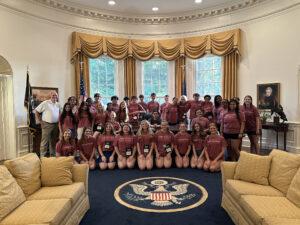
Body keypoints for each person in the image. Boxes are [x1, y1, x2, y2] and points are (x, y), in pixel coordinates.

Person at [35, 91, 61, 157]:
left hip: (55, 125)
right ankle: (42, 157)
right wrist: (40, 121)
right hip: (46, 125)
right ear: (50, 96)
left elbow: (60, 114)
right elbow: (37, 111)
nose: (54, 96)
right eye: (53, 95)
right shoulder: (45, 103)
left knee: (53, 142)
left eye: (56, 95)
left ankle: (52, 156)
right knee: (44, 142)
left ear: (57, 97)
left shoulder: (58, 104)